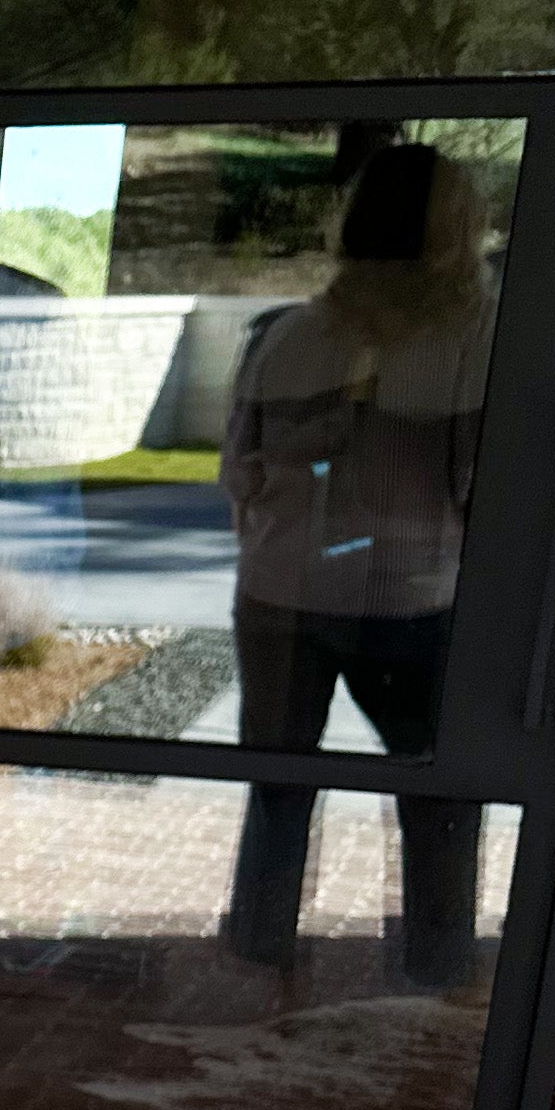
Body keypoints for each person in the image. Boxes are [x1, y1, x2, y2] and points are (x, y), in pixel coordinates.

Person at [221, 140, 494, 988]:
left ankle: (258, 952)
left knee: (277, 786)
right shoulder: (478, 343)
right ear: (460, 229)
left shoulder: (286, 335)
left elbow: (240, 475)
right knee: (440, 797)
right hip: (417, 602)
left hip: (278, 594)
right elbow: (474, 489)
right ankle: (438, 965)